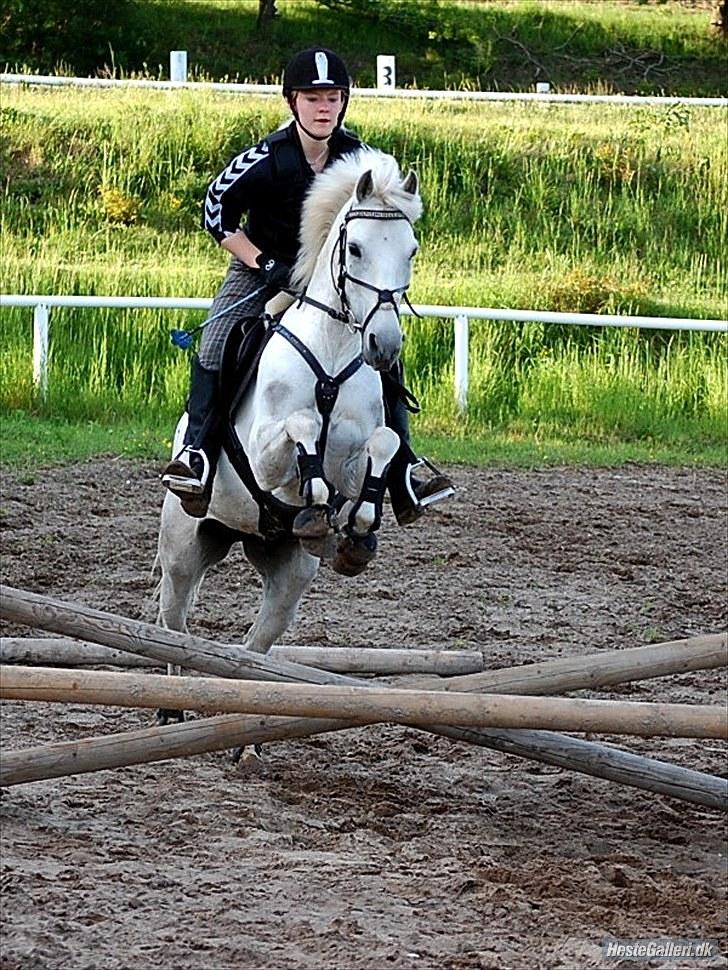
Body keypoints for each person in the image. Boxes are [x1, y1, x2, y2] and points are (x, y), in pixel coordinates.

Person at [162, 47, 454, 524]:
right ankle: (196, 454)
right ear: (292, 102)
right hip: (263, 274)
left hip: (335, 279)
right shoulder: (265, 158)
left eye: (333, 98)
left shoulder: (359, 156)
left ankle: (403, 470)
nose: (324, 108)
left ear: (343, 103)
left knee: (385, 351)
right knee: (217, 342)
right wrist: (261, 260)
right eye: (313, 98)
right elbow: (215, 211)